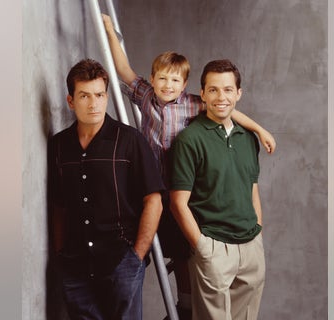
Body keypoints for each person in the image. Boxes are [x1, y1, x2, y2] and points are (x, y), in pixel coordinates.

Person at [103, 15, 274, 319]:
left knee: (184, 251)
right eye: (162, 78)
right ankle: (126, 282)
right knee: (142, 236)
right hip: (154, 183)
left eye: (175, 80)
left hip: (183, 183)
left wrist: (260, 130)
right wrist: (110, 33)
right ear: (153, 79)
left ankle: (183, 306)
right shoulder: (146, 97)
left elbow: (230, 111)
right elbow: (125, 70)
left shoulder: (194, 103)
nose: (167, 85)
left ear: (184, 84)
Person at [47, 59, 164, 319]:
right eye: (85, 96)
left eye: (99, 95)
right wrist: (60, 254)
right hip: (76, 265)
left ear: (107, 96)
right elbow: (59, 206)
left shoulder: (131, 140)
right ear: (70, 101)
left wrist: (136, 256)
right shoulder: (58, 146)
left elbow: (154, 200)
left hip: (121, 263)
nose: (93, 103)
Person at [170, 59, 266, 320]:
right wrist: (202, 247)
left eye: (227, 90)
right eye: (213, 90)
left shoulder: (248, 138)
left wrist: (257, 231)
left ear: (238, 94)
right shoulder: (189, 140)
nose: (220, 97)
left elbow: (252, 189)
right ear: (202, 94)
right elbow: (178, 203)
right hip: (214, 247)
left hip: (250, 247)